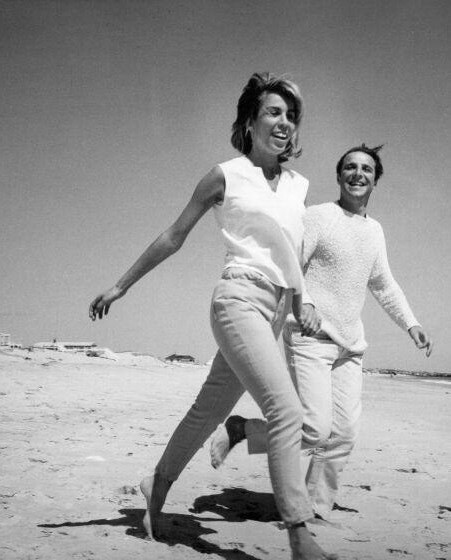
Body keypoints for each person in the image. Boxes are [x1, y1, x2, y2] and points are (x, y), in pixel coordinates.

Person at [89, 72, 336, 560]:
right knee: (286, 412)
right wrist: (120, 285)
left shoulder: (299, 186)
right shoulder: (225, 175)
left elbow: (293, 253)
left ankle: (156, 485)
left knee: (209, 411)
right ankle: (300, 536)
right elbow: (173, 235)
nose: (284, 123)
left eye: (291, 116)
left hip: (275, 312)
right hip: (237, 301)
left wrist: (303, 301)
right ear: (249, 122)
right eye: (273, 112)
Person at [211, 144, 433, 521]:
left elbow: (382, 283)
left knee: (343, 435)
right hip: (310, 337)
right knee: (314, 429)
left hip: (350, 344)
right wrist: (307, 302)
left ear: (376, 180)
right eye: (350, 167)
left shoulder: (375, 231)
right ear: (339, 175)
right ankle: (243, 429)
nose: (357, 173)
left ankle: (314, 507)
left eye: (366, 168)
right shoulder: (319, 217)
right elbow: (290, 264)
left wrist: (411, 323)